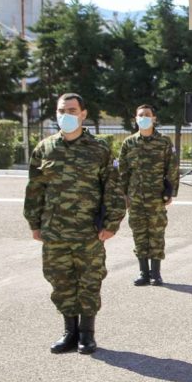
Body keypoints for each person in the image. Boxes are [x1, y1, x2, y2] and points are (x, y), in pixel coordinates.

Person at [23, 93, 126, 354]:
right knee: (61, 281)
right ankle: (69, 331)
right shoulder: (45, 148)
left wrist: (112, 224)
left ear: (83, 114)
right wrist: (34, 223)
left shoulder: (99, 149)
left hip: (88, 231)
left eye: (71, 110)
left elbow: (113, 189)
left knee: (90, 281)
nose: (65, 115)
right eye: (61, 110)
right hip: (54, 231)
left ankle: (87, 334)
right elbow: (34, 190)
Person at [118, 104, 179, 287]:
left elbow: (172, 168)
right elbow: (123, 172)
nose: (143, 117)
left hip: (156, 197)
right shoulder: (129, 143)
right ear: (135, 119)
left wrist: (170, 192)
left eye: (147, 115)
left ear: (154, 118)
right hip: (135, 197)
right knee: (139, 233)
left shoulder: (164, 142)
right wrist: (123, 195)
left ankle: (156, 274)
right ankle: (143, 272)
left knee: (157, 233)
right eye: (140, 115)